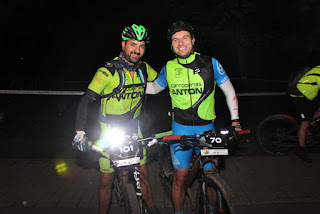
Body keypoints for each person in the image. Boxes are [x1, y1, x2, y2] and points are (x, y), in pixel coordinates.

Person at [146, 21, 241, 214]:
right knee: (180, 178)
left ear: (193, 40)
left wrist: (235, 121)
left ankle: (212, 209)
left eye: (184, 38)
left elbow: (229, 90)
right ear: (171, 45)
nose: (180, 43)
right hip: (180, 128)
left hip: (207, 128)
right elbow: (154, 88)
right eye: (175, 40)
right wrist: (134, 82)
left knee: (210, 173)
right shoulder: (169, 67)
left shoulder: (210, 63)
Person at [73, 24, 161, 214]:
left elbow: (162, 81)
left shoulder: (145, 69)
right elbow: (86, 100)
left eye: (142, 46)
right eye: (132, 44)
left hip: (133, 127)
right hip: (109, 129)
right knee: (106, 179)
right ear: (123, 44)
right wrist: (79, 132)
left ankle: (152, 207)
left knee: (143, 173)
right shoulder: (107, 72)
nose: (137, 50)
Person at [289, 65, 320, 163]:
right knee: (304, 122)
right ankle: (301, 150)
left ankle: (311, 128)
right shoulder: (318, 73)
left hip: (307, 97)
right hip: (299, 98)